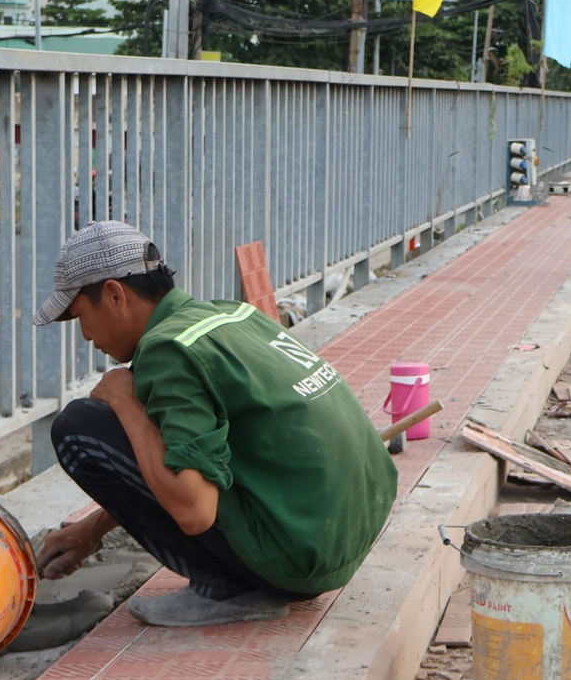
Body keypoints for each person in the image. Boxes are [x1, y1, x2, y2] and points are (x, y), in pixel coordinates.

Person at [33, 221, 398, 627]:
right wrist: (93, 529)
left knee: (80, 427)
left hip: (297, 558)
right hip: (345, 533)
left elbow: (195, 511)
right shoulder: (229, 315)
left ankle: (230, 588)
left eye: (81, 315)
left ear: (115, 295)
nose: (86, 336)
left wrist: (123, 400)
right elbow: (189, 449)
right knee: (142, 420)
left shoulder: (167, 350)